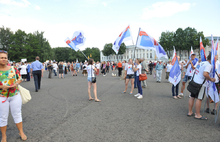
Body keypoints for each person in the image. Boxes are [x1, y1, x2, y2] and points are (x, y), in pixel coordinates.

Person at [0, 50, 27, 141]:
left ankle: (21, 132)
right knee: (3, 116)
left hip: (15, 95)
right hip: (2, 97)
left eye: (5, 58)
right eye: (1, 58)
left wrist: (16, 84)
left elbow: (19, 79)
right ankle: (4, 136)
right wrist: (1, 87)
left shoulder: (13, 68)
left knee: (17, 114)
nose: (4, 59)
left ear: (7, 59)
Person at [187, 53, 215, 120]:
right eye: (216, 58)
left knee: (192, 97)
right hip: (200, 84)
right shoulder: (209, 65)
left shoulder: (202, 62)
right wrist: (211, 79)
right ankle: (197, 114)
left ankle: (190, 112)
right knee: (199, 98)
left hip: (194, 81)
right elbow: (205, 74)